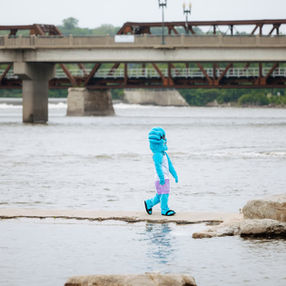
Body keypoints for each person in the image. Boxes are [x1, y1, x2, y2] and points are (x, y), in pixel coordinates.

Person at [144, 127, 178, 216]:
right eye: (163, 138)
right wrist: (162, 178)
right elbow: (157, 167)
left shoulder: (164, 153)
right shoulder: (157, 155)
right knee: (165, 194)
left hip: (164, 178)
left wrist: (175, 175)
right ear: (157, 141)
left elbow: (169, 165)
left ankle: (149, 203)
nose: (165, 140)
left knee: (160, 195)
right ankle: (164, 210)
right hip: (161, 178)